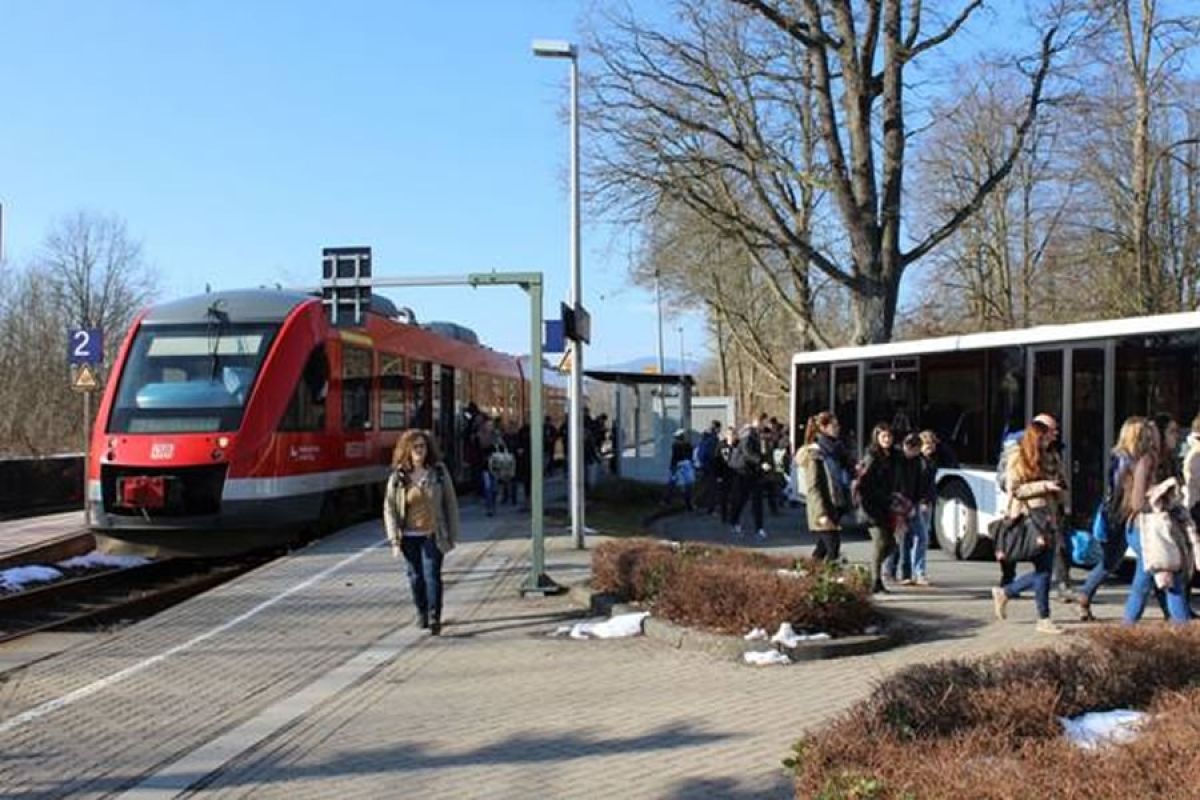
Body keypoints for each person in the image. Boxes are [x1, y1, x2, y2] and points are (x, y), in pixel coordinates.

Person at [991, 419, 1067, 634]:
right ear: (1036, 437)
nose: (1053, 436)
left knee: (1044, 571)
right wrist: (1044, 486)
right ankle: (1042, 618)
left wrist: (1061, 491)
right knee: (1043, 572)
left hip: (1049, 517)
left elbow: (1060, 480)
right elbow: (1014, 488)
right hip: (1030, 518)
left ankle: (1007, 593)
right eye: (1048, 434)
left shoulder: (1052, 455)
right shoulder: (1019, 455)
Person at [383, 429, 460, 636]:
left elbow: (450, 503)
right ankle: (422, 611)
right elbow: (389, 508)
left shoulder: (439, 472)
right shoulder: (399, 477)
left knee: (432, 575)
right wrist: (394, 540)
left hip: (433, 534)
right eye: (415, 447)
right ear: (407, 450)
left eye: (423, 446)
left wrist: (453, 534)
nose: (419, 451)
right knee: (415, 577)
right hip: (408, 537)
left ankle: (435, 616)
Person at [1122, 419, 1193, 625]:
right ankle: (1183, 630)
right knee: (1171, 576)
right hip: (1147, 527)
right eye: (1171, 432)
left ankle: (1127, 628)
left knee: (1145, 582)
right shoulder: (1147, 461)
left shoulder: (1167, 461)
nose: (1176, 436)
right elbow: (1137, 502)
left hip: (1157, 526)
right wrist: (1161, 496)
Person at [1076, 416, 1143, 620]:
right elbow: (1118, 489)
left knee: (1112, 561)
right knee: (1112, 561)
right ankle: (1085, 594)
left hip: (1122, 514)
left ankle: (1085, 595)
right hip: (1120, 515)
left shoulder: (1128, 456)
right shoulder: (1124, 458)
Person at [798, 412, 849, 562]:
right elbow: (813, 486)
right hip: (823, 506)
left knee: (823, 547)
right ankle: (828, 580)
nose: (838, 428)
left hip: (835, 502)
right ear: (823, 428)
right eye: (834, 425)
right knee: (833, 547)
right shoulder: (815, 454)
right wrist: (821, 514)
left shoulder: (837, 449)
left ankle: (810, 574)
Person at [856, 423, 900, 594]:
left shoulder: (893, 456)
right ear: (877, 438)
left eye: (889, 436)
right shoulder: (872, 457)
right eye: (883, 437)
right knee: (880, 543)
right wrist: (867, 507)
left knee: (891, 544)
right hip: (872, 507)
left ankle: (874, 573)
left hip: (886, 506)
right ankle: (875, 580)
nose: (887, 440)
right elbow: (863, 484)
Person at [729, 420, 766, 541]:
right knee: (745, 500)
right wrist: (760, 461)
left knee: (750, 500)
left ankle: (756, 527)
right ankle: (736, 522)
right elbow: (747, 453)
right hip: (745, 472)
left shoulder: (751, 436)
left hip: (750, 472)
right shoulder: (748, 436)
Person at [663, 429, 695, 511]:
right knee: (687, 486)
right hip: (686, 466)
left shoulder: (676, 446)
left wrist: (673, 468)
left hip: (679, 466)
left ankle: (667, 500)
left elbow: (674, 458)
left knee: (673, 483)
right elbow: (690, 456)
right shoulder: (688, 445)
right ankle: (688, 504)